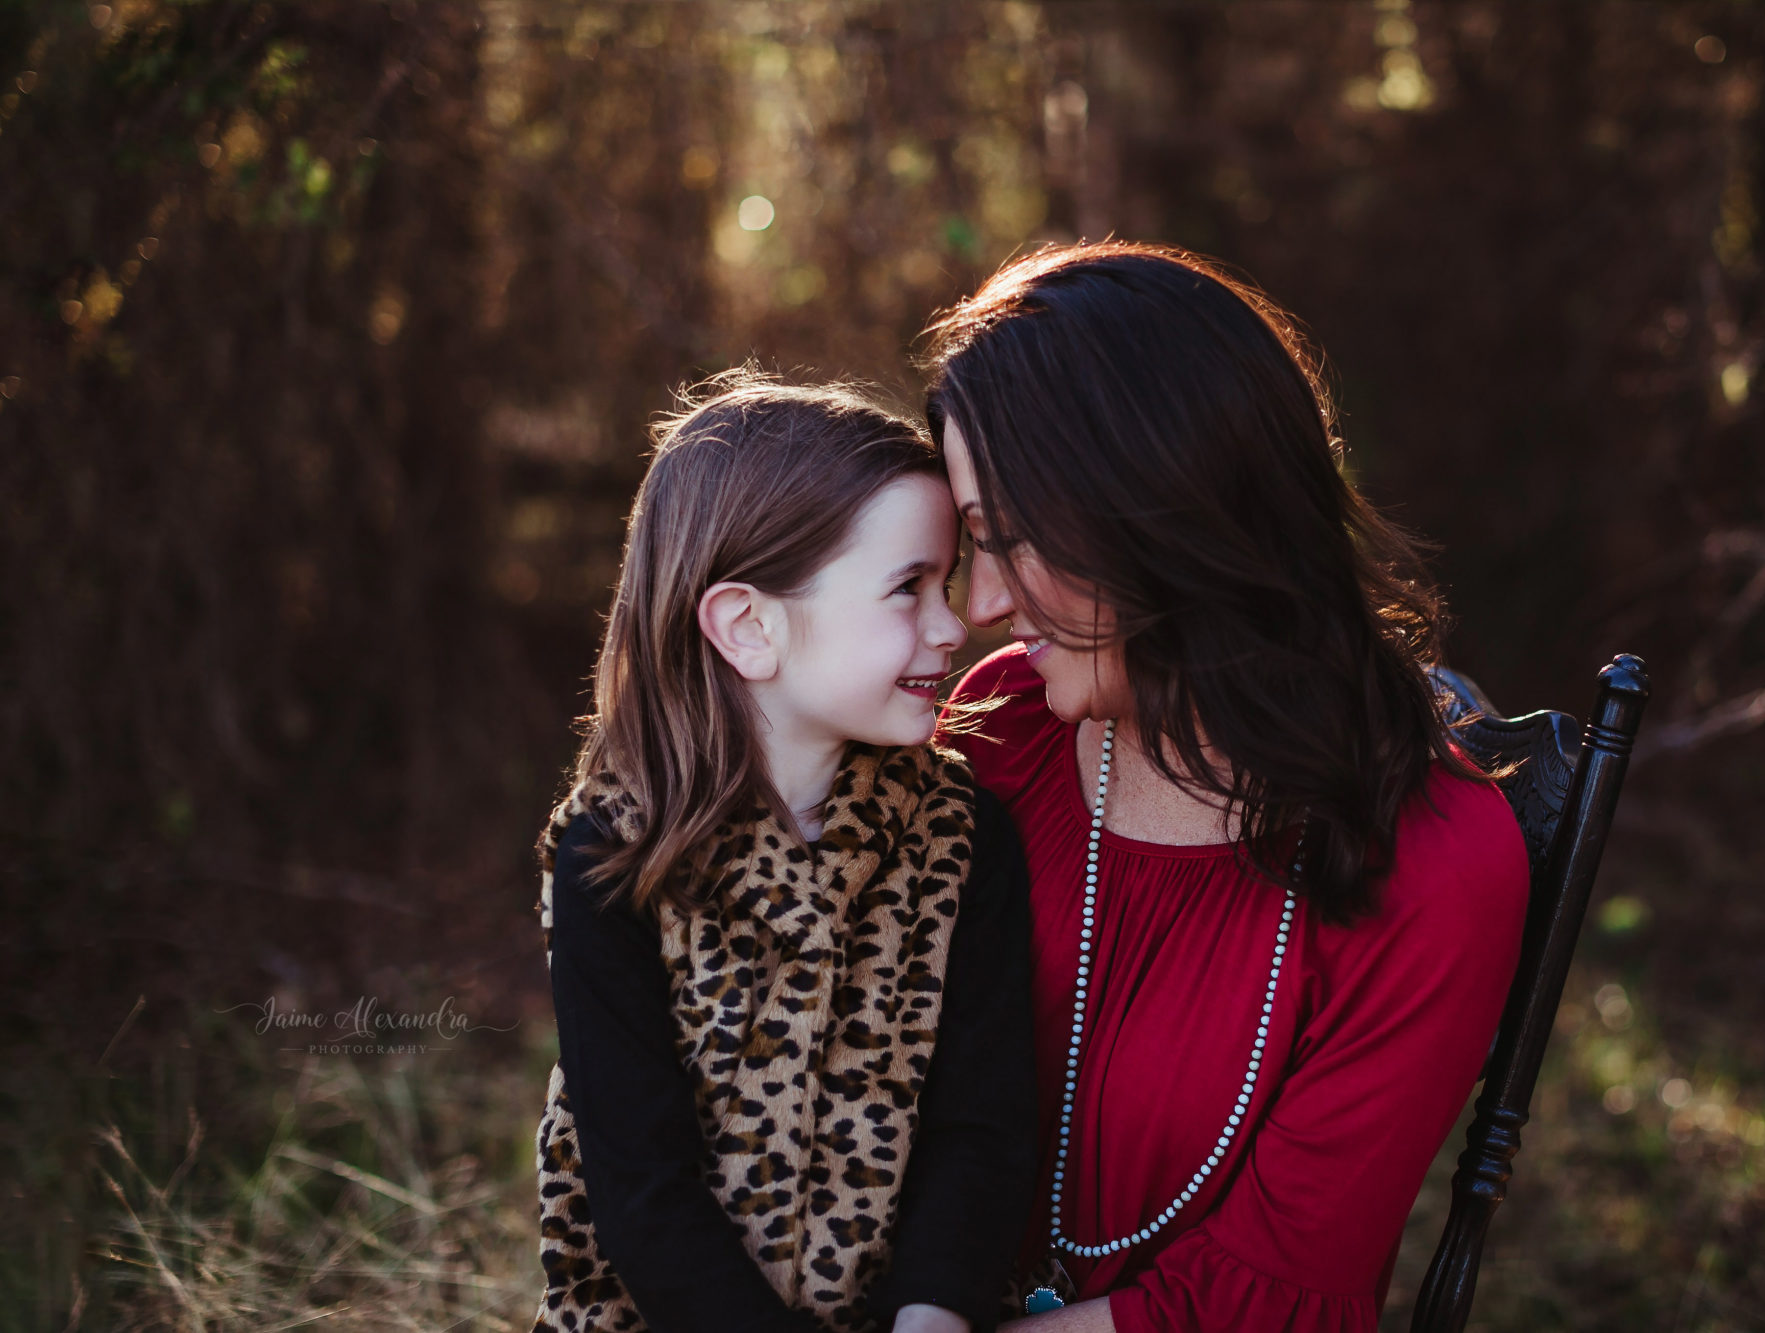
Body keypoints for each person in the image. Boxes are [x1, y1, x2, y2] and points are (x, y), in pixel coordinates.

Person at [924, 243, 1531, 1333]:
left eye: (1002, 540)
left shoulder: (1436, 863)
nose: (978, 602)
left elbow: (1253, 1308)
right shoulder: (1001, 730)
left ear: (1152, 509)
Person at [529, 372, 1037, 1333]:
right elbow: (642, 1187)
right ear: (749, 625)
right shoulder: (614, 858)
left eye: (950, 579)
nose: (955, 623)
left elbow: (982, 1130)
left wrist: (932, 1315)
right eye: (908, 587)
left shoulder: (963, 843)